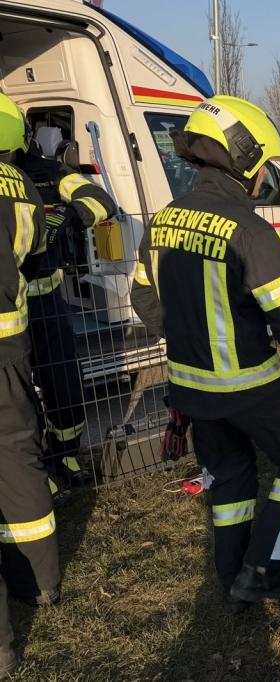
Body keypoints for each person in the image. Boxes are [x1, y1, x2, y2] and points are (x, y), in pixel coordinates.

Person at [130, 95, 280, 610]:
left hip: (190, 386)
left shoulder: (163, 220)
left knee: (231, 477)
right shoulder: (250, 230)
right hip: (250, 385)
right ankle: (261, 572)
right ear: (244, 160)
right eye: (264, 166)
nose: (264, 177)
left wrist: (184, 333)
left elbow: (142, 296)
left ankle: (232, 582)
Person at [14, 121, 116, 496]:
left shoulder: (49, 171)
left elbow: (100, 200)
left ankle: (65, 457)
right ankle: (31, 470)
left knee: (64, 385)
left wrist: (69, 215)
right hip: (9, 310)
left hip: (47, 304)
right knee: (17, 396)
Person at [0, 92, 57, 676]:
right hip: (9, 348)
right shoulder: (24, 190)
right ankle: (40, 582)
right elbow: (35, 257)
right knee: (18, 459)